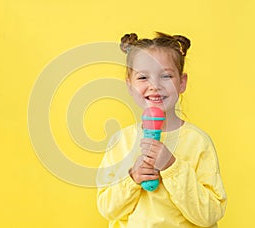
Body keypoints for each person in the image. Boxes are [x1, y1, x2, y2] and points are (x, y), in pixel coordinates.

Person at [96, 32, 227, 228]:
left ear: (182, 83)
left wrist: (172, 167)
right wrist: (132, 179)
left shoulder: (198, 142)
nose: (155, 86)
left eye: (166, 76)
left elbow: (210, 214)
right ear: (129, 85)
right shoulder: (120, 141)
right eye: (142, 77)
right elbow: (107, 209)